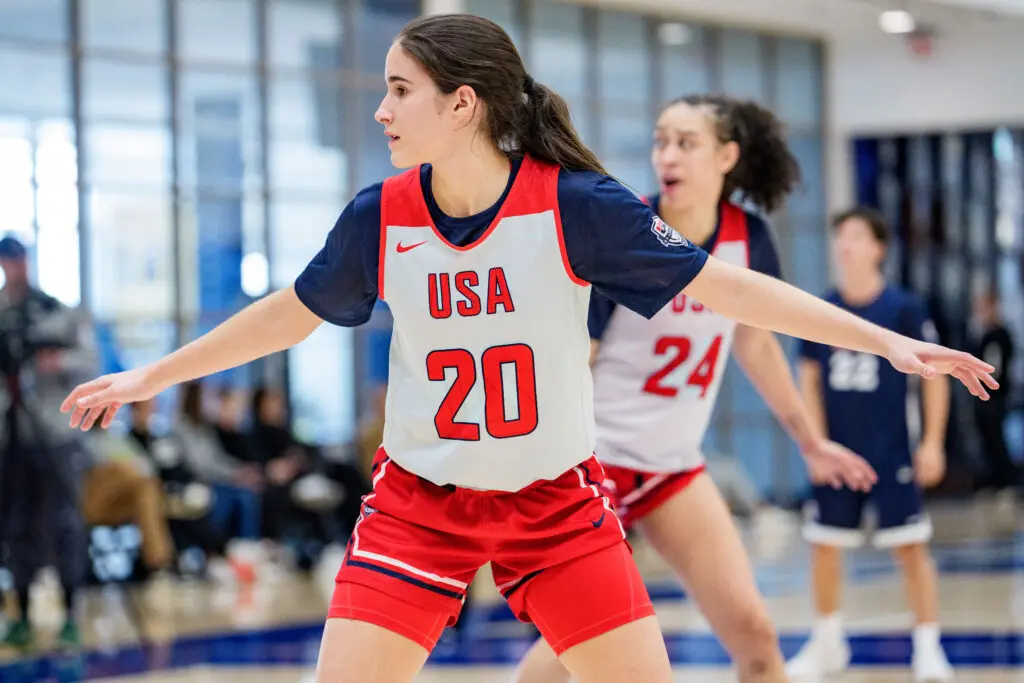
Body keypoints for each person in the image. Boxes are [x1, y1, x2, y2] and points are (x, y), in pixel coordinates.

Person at [59, 14, 995, 683]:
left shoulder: (574, 205)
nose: (381, 110)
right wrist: (153, 375)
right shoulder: (381, 215)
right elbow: (290, 313)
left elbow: (732, 291)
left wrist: (886, 341)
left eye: (400, 90)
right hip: (419, 506)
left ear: (462, 103)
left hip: (555, 505)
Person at [511, 95, 877, 683]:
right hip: (594, 466)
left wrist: (810, 442)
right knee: (572, 647)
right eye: (661, 141)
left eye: (686, 143)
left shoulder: (747, 238)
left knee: (756, 638)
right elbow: (578, 354)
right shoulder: (627, 231)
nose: (667, 156)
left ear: (726, 156)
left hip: (672, 468)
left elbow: (757, 346)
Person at [786, 208, 955, 682]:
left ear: (878, 248)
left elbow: (936, 379)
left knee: (910, 547)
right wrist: (813, 444)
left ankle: (928, 647)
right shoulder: (822, 308)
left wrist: (933, 443)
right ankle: (827, 645)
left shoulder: (904, 309)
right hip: (839, 451)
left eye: (857, 236)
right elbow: (808, 380)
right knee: (824, 545)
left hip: (892, 448)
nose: (846, 244)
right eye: (841, 236)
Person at [0, 235, 95, 649]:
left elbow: (90, 360)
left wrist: (54, 360)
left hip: (57, 434)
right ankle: (20, 613)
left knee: (65, 525)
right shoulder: (3, 312)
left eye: (18, 259)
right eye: (6, 261)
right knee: (16, 526)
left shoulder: (55, 312)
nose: (14, 268)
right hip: (13, 435)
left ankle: (70, 615)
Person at [968, 289, 1016, 497]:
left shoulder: (999, 334)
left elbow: (997, 368)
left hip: (995, 397)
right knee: (987, 439)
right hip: (982, 396)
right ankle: (992, 481)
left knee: (997, 440)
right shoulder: (982, 333)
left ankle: (1006, 483)